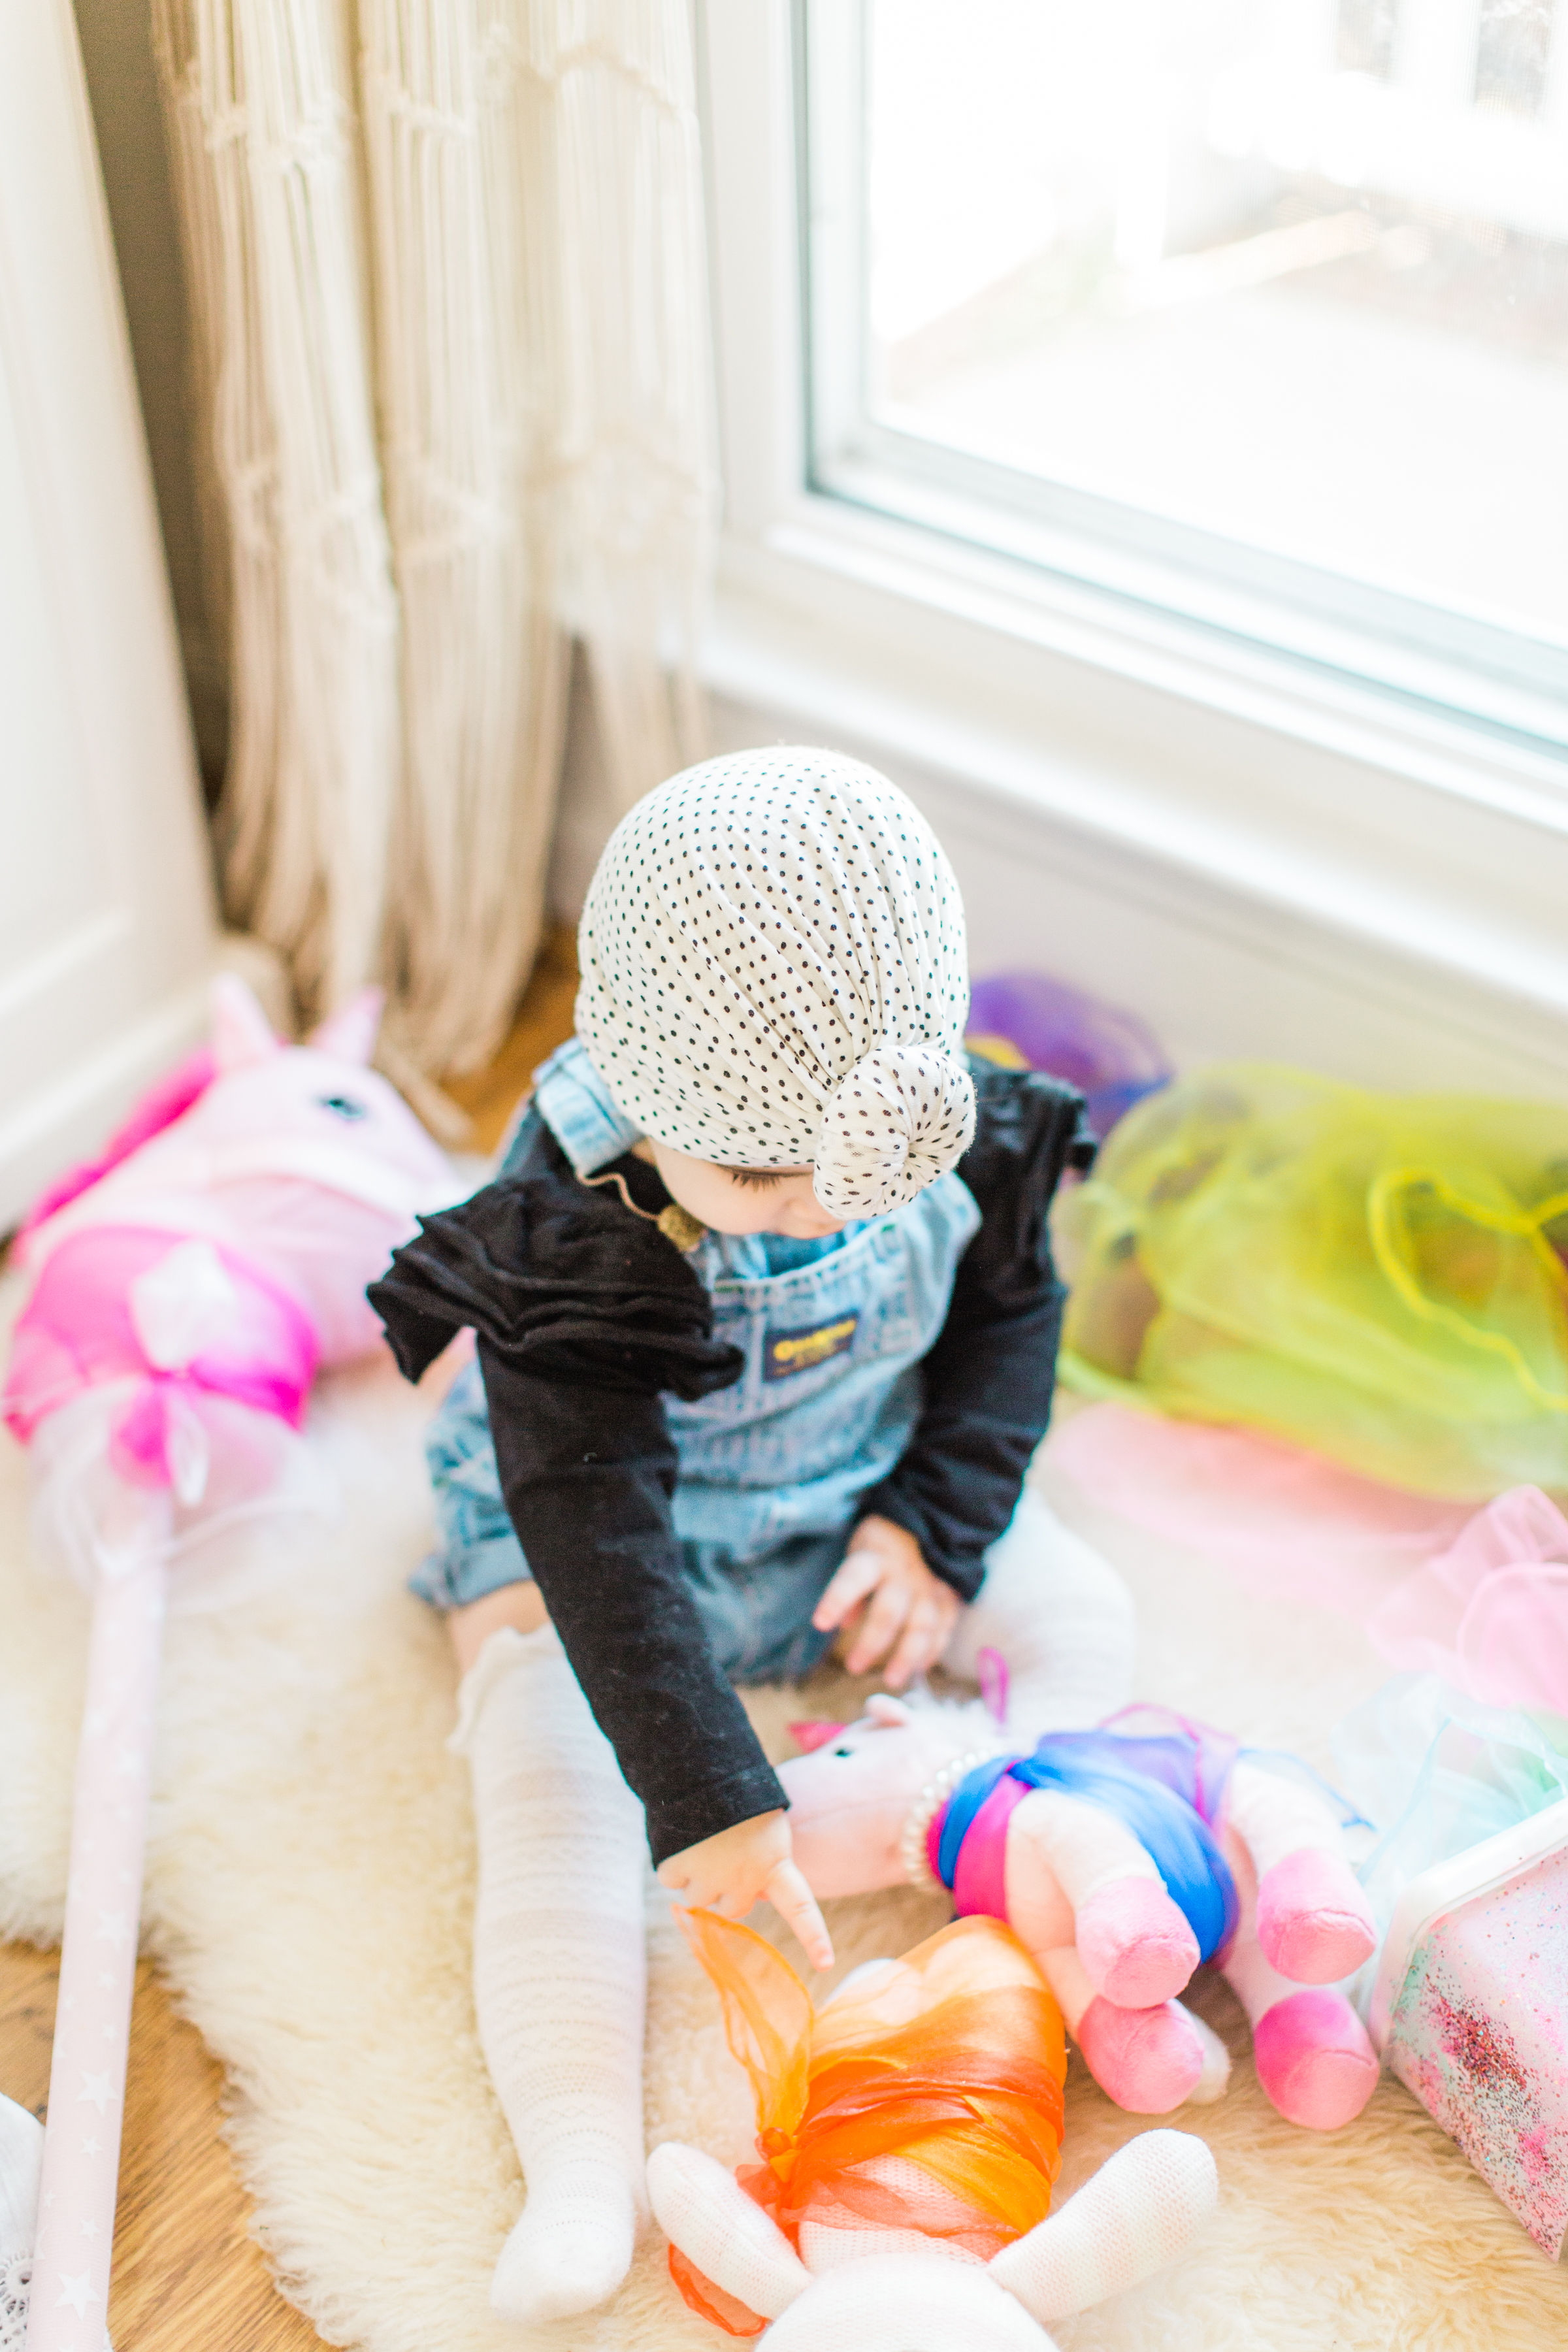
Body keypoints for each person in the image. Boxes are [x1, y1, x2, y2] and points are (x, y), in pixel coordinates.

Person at [370, 747, 1113, 2325]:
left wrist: (935, 1532)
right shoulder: (579, 1216)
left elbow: (1006, 1326)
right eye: (770, 1180)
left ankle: (1066, 1860)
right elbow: (588, 1510)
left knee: (1083, 1603)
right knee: (542, 1740)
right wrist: (705, 1791)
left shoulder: (948, 1115)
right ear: (637, 1085)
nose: (820, 1211)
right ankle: (576, 2150)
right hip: (608, 1535)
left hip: (850, 1486)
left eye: (862, 1179)